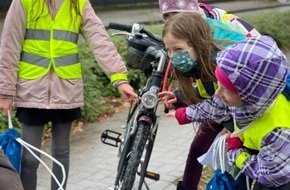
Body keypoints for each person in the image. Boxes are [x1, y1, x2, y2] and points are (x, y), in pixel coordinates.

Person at [0, 0, 138, 189]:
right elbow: (9, 46)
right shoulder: (24, 2)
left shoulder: (79, 3)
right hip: (31, 91)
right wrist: (5, 92)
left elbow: (100, 40)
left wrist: (119, 79)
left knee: (61, 153)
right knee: (29, 159)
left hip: (66, 90)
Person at [158, 0, 260, 189]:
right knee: (199, 149)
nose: (173, 56)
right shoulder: (199, 53)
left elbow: (227, 98)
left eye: (178, 50)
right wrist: (180, 97)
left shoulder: (223, 55)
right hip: (230, 108)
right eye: (169, 50)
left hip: (252, 114)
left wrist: (229, 124)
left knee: (234, 171)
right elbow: (210, 90)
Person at [175, 34, 290, 189]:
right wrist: (185, 113)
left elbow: (269, 175)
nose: (217, 93)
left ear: (250, 93)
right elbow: (217, 106)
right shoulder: (249, 98)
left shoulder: (277, 130)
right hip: (252, 151)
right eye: (219, 85)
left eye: (225, 89)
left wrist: (237, 153)